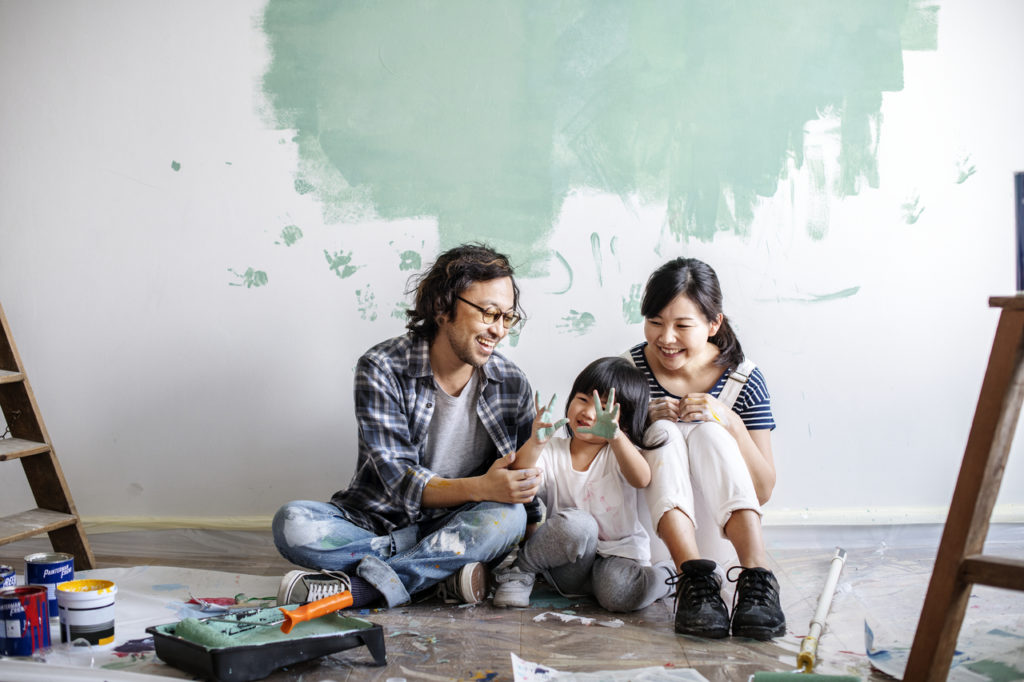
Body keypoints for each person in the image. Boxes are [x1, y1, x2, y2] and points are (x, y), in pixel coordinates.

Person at [272, 243, 541, 609]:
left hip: (461, 523)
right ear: (443, 308)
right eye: (490, 313)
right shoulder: (382, 367)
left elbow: (521, 489)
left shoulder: (511, 383)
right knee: (293, 522)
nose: (499, 331)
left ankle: (363, 588)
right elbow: (399, 479)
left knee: (507, 518)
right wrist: (480, 487)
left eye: (507, 318)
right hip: (380, 524)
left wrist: (526, 531)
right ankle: (437, 575)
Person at [623, 257, 785, 640]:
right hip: (653, 541)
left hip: (723, 537)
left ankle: (756, 575)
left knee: (712, 433)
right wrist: (639, 422)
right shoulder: (629, 370)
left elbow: (763, 489)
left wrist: (729, 420)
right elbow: (605, 468)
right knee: (662, 430)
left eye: (682, 325)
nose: (665, 338)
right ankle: (692, 579)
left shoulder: (743, 377)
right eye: (656, 322)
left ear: (714, 324)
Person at [491, 357, 675, 612]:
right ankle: (521, 571)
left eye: (602, 409)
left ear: (623, 418)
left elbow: (641, 478)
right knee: (578, 525)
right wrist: (535, 442)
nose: (588, 413)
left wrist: (617, 437)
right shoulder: (555, 450)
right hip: (570, 563)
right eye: (583, 399)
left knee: (620, 595)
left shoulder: (619, 452)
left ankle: (669, 576)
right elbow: (519, 476)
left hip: (619, 558)